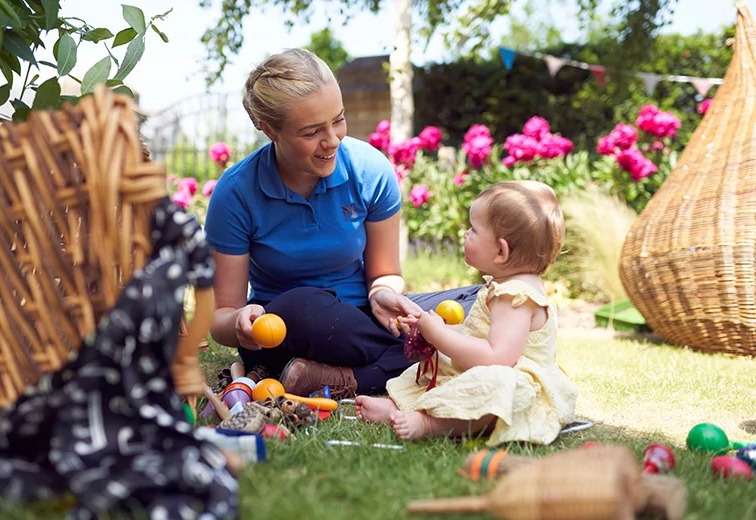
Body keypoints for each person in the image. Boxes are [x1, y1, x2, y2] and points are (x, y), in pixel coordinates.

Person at [204, 48, 481, 399]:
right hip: (288, 330)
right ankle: (427, 350)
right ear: (269, 128)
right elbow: (222, 319)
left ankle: (338, 377)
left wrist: (383, 293)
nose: (332, 140)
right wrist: (242, 322)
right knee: (303, 306)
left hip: (362, 321)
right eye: (311, 131)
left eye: (338, 120)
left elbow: (384, 273)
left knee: (484, 301)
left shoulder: (369, 169)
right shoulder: (236, 192)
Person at [355, 180, 578, 445]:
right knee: (439, 365)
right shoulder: (507, 286)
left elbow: (497, 359)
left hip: (515, 387)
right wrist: (438, 328)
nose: (465, 234)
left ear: (501, 251)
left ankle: (430, 422)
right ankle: (399, 407)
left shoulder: (515, 297)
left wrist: (438, 333)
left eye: (473, 230)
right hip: (495, 368)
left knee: (493, 383)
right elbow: (479, 333)